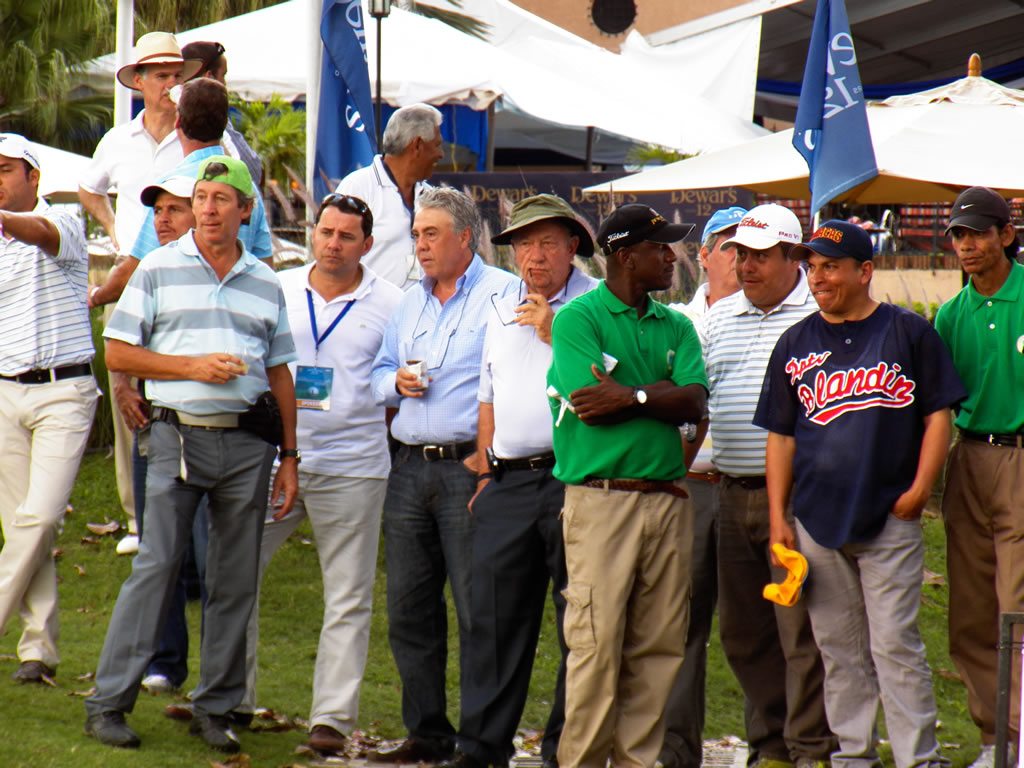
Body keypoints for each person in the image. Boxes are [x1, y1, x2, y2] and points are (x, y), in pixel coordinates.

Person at [83, 156, 298, 754]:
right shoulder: (157, 266)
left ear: (245, 211)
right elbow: (118, 353)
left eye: (220, 199)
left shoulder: (265, 281)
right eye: (201, 197)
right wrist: (192, 368)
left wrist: (289, 456)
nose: (207, 208)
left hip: (249, 445)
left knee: (234, 580)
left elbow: (280, 372)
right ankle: (107, 703)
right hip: (176, 436)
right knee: (157, 567)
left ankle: (217, 708)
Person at [756, 220, 964, 768]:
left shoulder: (907, 332)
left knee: (893, 644)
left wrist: (921, 488)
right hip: (816, 519)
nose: (818, 277)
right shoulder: (795, 342)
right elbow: (781, 437)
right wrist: (779, 515)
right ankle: (853, 756)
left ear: (864, 271)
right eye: (812, 267)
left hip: (888, 514)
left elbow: (938, 416)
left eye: (831, 266)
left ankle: (920, 758)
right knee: (839, 648)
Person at [547, 203, 708, 768]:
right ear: (625, 255)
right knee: (595, 646)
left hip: (667, 501)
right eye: (659, 248)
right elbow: (592, 407)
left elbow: (694, 401)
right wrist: (660, 393)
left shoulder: (678, 325)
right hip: (601, 501)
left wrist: (634, 395)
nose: (671, 257)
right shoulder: (578, 319)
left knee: (659, 647)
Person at [241, 192, 402, 756]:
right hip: (274, 459)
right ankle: (232, 698)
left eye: (346, 236)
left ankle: (331, 719)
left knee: (349, 595)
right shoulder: (278, 287)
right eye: (325, 232)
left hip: (355, 465)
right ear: (313, 233)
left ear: (367, 244)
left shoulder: (393, 302)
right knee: (236, 577)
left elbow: (394, 388)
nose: (333, 244)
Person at [441, 195, 598, 768]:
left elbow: (603, 386)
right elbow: (489, 393)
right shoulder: (501, 305)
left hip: (572, 480)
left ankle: (565, 750)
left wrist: (557, 332)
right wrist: (486, 473)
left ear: (572, 247)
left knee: (577, 624)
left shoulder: (597, 305)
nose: (534, 256)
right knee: (493, 621)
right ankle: (482, 748)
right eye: (524, 244)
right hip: (507, 482)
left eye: (547, 243)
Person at [367, 187, 518, 764]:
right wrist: (394, 382)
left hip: (467, 468)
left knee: (479, 610)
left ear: (465, 237)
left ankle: (479, 741)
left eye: (430, 234)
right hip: (408, 468)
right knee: (409, 609)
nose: (420, 245)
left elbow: (517, 376)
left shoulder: (504, 293)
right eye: (416, 235)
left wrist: (489, 463)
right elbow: (378, 372)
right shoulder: (409, 302)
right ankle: (427, 733)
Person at [700, 203, 835, 768]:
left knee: (800, 631)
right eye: (739, 254)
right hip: (731, 491)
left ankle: (809, 748)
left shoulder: (818, 314)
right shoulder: (718, 318)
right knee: (743, 632)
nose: (744, 266)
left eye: (759, 256)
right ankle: (773, 743)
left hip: (799, 498)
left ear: (791, 257)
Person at [79, 31, 202, 556]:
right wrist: (114, 229)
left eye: (176, 75)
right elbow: (89, 187)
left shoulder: (195, 138)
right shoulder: (118, 139)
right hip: (130, 273)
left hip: (184, 275)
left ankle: (185, 514)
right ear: (141, 82)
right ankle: (135, 517)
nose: (170, 84)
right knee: (126, 383)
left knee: (179, 381)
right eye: (161, 75)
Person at [0, 133, 98, 683]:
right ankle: (37, 650)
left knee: (39, 518)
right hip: (5, 391)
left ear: (33, 177)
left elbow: (39, 233)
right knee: (21, 525)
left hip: (64, 390)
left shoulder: (63, 219)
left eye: (5, 169)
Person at [934, 186, 1024, 768]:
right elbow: (936, 406)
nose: (967, 246)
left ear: (1006, 235)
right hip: (967, 457)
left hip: (1021, 457)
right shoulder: (949, 315)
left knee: (1016, 604)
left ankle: (1022, 735)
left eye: (977, 234)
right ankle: (994, 740)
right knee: (970, 609)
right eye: (958, 236)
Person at [659, 205, 745, 768]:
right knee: (680, 623)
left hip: (747, 485)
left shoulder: (775, 319)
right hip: (688, 486)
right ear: (705, 255)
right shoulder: (672, 321)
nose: (742, 259)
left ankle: (771, 747)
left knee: (753, 624)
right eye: (730, 247)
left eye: (753, 250)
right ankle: (675, 751)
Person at [90, 76, 274, 308]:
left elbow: (135, 270)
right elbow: (266, 269)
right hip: (240, 318)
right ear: (223, 125)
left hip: (184, 318)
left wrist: (96, 295)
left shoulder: (170, 187)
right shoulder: (247, 189)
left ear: (177, 122)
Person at [335, 103, 443, 289]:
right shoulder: (357, 188)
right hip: (369, 306)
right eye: (437, 145)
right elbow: (337, 256)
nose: (441, 154)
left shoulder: (431, 196)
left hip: (422, 307)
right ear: (417, 145)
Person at [180, 40, 263, 185]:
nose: (225, 84)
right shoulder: (218, 123)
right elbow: (252, 173)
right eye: (223, 76)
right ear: (209, 78)